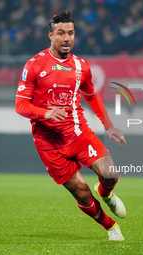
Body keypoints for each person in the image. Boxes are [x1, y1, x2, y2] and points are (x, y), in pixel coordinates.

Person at [15, 11, 127, 241]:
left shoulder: (81, 66)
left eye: (71, 33)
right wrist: (45, 112)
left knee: (110, 175)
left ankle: (106, 194)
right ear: (51, 36)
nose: (67, 38)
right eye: (61, 33)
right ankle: (111, 227)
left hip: (78, 134)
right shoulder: (35, 65)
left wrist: (109, 126)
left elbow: (91, 95)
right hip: (49, 146)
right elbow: (20, 105)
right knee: (83, 194)